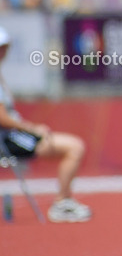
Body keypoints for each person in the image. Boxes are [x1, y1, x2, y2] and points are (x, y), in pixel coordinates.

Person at [0, 27, 91, 222]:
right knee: (74, 147)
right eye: (1, 47)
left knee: (74, 145)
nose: (4, 52)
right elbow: (2, 119)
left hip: (12, 136)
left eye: (5, 47)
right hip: (8, 140)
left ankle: (63, 201)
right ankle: (62, 202)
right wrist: (32, 128)